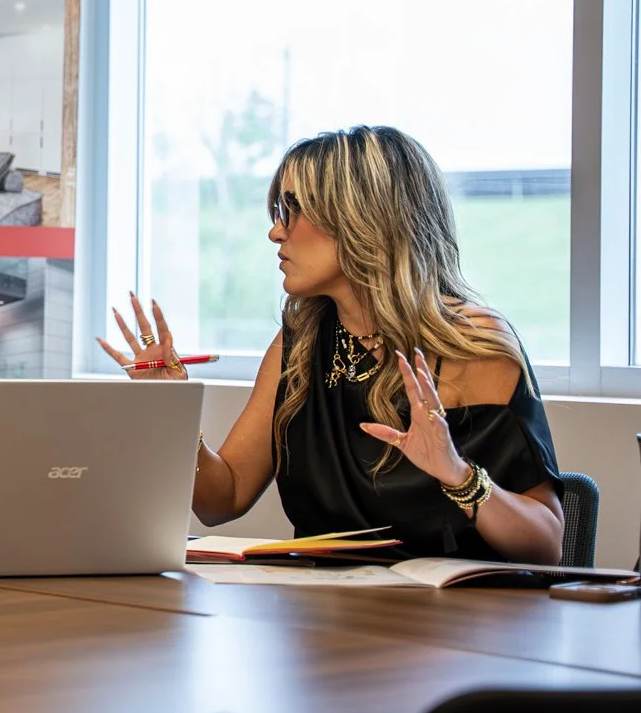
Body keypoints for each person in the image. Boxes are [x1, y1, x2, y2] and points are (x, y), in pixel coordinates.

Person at [101, 125, 564, 564]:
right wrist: (171, 409)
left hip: (454, 626)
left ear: (360, 217)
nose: (275, 231)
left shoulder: (473, 345)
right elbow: (224, 499)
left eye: (290, 210)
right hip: (320, 621)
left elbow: (545, 544)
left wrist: (457, 475)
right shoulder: (298, 345)